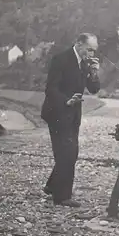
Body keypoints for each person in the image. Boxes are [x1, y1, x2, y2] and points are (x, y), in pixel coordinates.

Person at [41, 33, 101, 207]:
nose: (91, 54)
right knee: (66, 153)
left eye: (94, 51)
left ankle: (52, 186)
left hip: (73, 114)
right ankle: (62, 197)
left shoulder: (85, 63)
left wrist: (94, 73)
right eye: (89, 49)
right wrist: (66, 101)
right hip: (57, 112)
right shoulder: (61, 59)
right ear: (79, 44)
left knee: (70, 152)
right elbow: (50, 88)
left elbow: (94, 89)